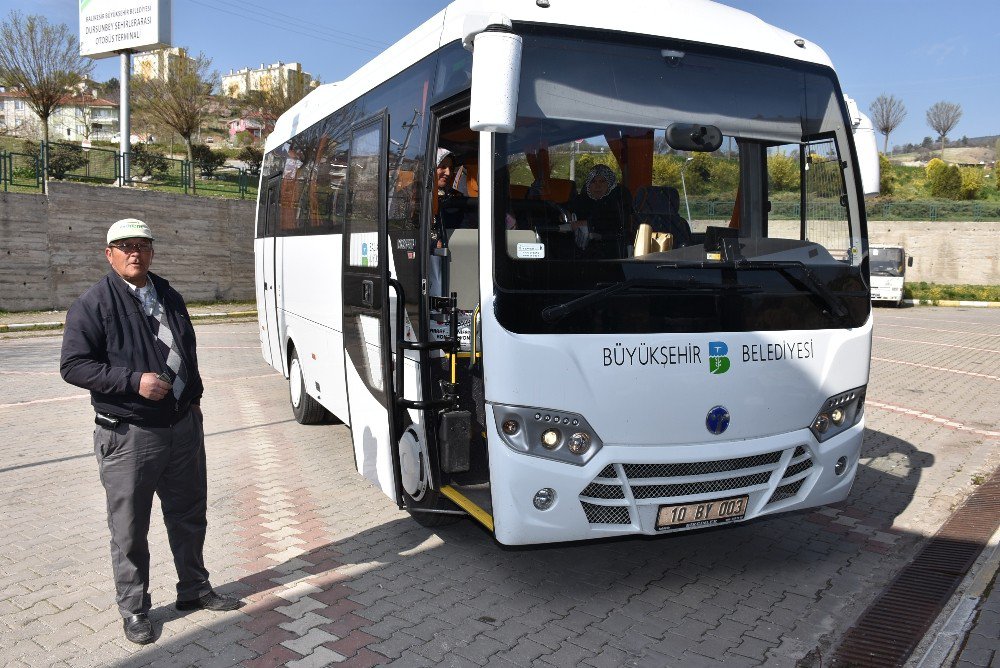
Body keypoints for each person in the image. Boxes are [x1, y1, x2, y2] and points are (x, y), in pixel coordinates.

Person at [60, 218, 241, 646]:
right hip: (129, 434)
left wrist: (192, 396)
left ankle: (194, 589)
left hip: (181, 427)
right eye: (124, 246)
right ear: (109, 254)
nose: (134, 253)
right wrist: (132, 380)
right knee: (129, 528)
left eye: (141, 245)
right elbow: (73, 365)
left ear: (152, 251)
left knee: (189, 514)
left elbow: (186, 349)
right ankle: (135, 609)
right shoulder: (93, 303)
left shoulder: (168, 294)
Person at [567, 164, 633, 257]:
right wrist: (564, 215)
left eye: (602, 181)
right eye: (593, 182)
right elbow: (567, 211)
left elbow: (619, 223)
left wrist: (588, 224)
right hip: (581, 255)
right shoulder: (581, 200)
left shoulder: (617, 200)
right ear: (588, 185)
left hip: (612, 254)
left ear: (609, 184)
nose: (598, 186)